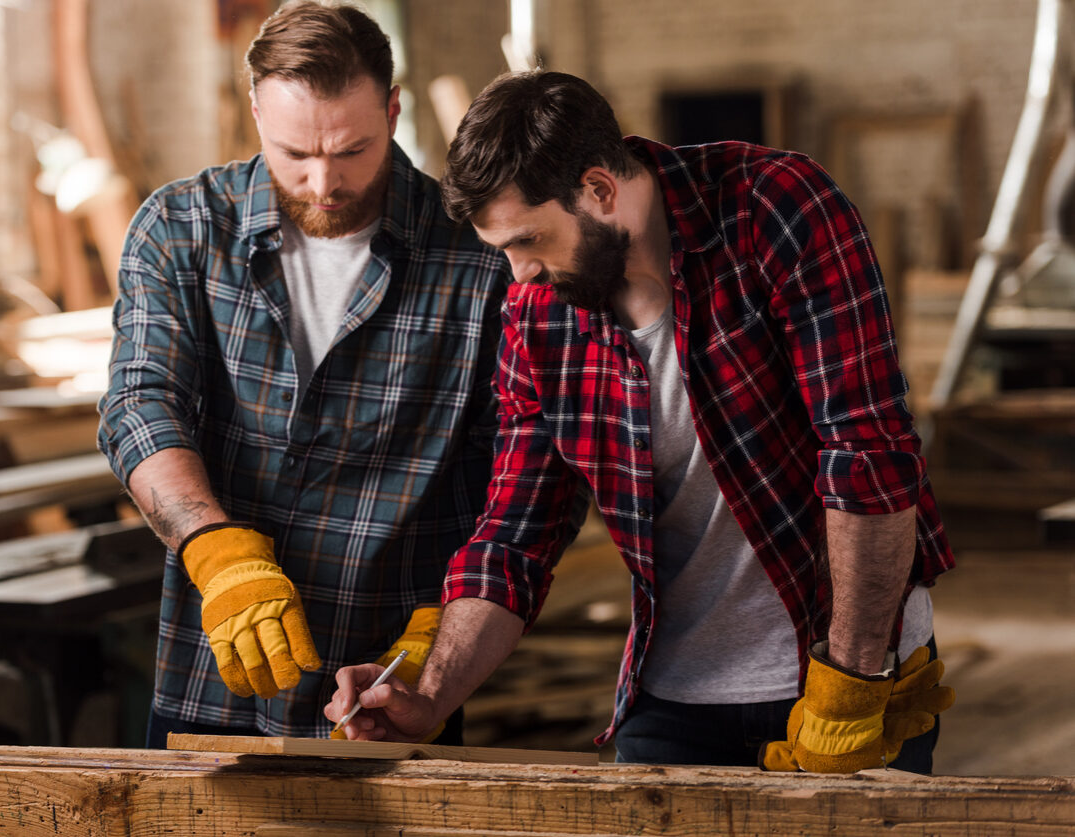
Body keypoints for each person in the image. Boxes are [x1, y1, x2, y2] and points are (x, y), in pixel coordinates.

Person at [325, 70, 956, 772]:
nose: (519, 275)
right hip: (675, 694)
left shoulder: (773, 207)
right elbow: (516, 533)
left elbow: (865, 452)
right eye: (501, 249)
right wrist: (428, 691)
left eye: (530, 239)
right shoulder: (538, 316)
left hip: (843, 666)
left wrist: (851, 683)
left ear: (599, 190)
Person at [97, 1, 508, 746]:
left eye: (352, 150)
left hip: (394, 682)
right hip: (214, 666)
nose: (323, 182)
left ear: (392, 108)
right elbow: (139, 402)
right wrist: (213, 548)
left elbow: (514, 462)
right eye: (295, 153)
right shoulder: (181, 228)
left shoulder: (479, 253)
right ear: (255, 110)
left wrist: (444, 637)